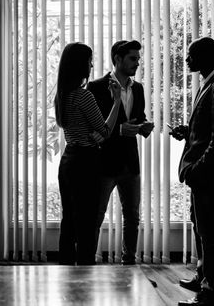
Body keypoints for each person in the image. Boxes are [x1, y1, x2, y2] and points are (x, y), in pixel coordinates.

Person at [172, 37, 214, 306]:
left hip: (206, 174)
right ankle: (203, 276)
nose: (186, 59)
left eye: (190, 54)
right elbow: (206, 131)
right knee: (200, 226)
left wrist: (197, 170)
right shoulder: (208, 84)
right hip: (201, 173)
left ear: (206, 56)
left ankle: (212, 290)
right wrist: (187, 133)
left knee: (210, 230)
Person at [87, 40, 154, 265]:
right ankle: (87, 261)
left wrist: (144, 126)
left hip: (130, 162)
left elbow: (138, 117)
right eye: (132, 58)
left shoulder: (139, 88)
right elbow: (93, 127)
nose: (137, 63)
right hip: (104, 163)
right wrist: (119, 130)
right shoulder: (96, 87)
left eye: (138, 58)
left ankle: (129, 261)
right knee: (96, 216)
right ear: (117, 59)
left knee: (132, 217)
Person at [55, 42, 122, 265]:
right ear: (80, 65)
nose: (92, 65)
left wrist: (94, 133)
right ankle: (85, 272)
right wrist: (117, 101)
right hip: (86, 162)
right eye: (89, 60)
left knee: (69, 220)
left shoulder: (61, 96)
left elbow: (75, 127)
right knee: (87, 222)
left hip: (68, 160)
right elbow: (105, 130)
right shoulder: (84, 96)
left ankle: (65, 268)